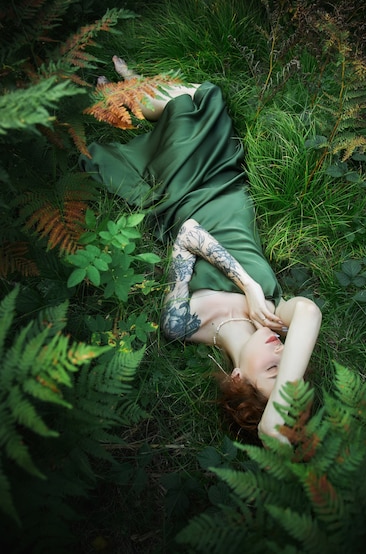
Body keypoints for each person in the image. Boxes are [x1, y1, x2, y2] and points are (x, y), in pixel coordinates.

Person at [80, 56, 322, 444]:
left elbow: (190, 234)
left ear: (238, 377)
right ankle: (133, 90)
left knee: (192, 101)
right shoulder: (275, 318)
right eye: (287, 362)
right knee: (204, 97)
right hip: (225, 180)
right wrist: (281, 408)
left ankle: (126, 95)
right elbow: (309, 311)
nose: (280, 349)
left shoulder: (183, 324)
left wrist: (248, 286)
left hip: (186, 196)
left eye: (274, 370)